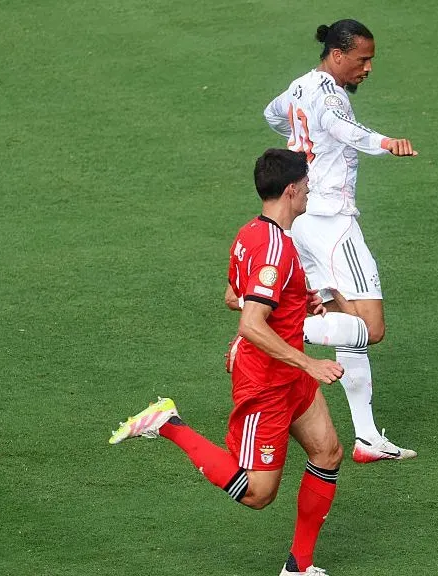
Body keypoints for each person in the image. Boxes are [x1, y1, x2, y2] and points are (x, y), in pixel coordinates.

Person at [110, 149, 345, 576]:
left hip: (288, 372)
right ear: (291, 190)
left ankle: (299, 567)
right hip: (268, 381)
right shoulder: (273, 247)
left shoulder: (250, 234)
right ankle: (169, 424)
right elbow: (251, 322)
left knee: (327, 452)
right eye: (307, 184)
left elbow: (234, 296)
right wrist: (309, 364)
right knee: (257, 493)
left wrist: (297, 304)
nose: (310, 189)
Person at [263, 19, 418, 463]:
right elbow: (340, 126)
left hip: (304, 219)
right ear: (337, 55)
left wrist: (299, 141)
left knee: (343, 321)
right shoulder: (330, 95)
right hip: (333, 221)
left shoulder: (298, 87)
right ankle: (264, 335)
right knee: (369, 328)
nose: (367, 68)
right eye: (362, 59)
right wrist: (385, 142)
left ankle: (367, 438)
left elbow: (273, 115)